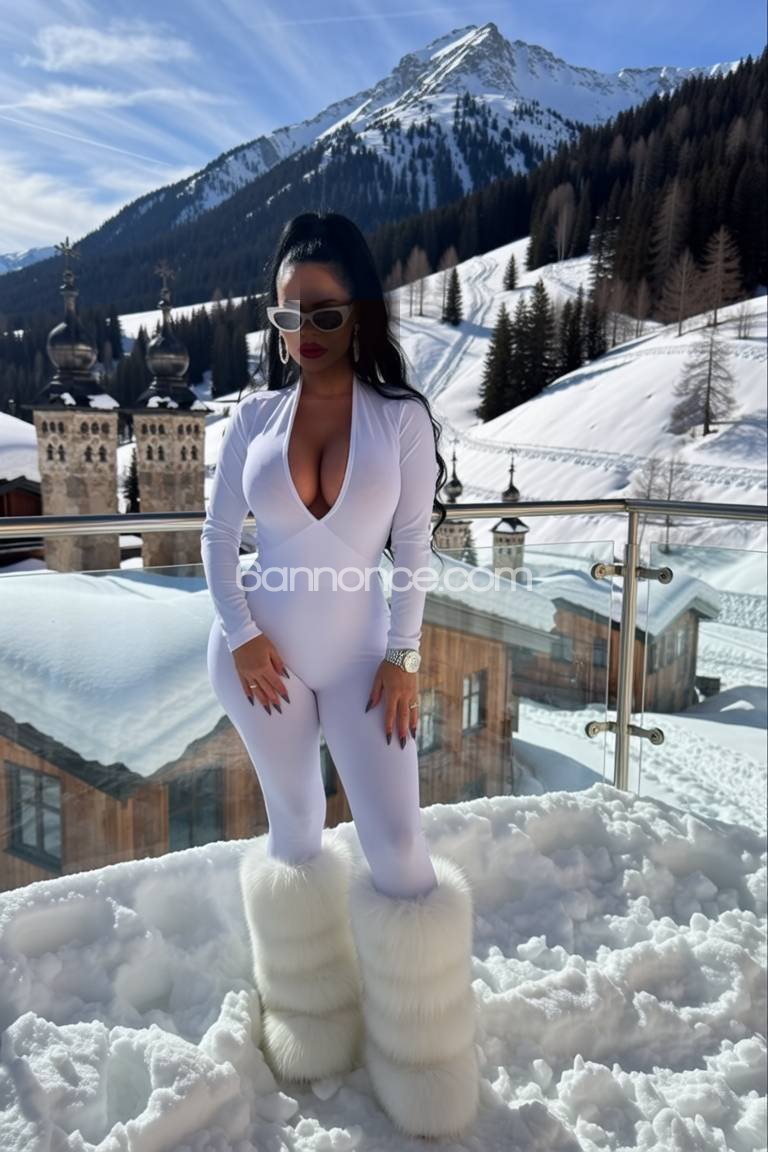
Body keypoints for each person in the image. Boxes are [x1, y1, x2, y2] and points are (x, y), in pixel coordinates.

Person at [201, 211, 480, 1138]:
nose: (305, 334)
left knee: (399, 849)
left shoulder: (401, 419)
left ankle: (427, 1059)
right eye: (287, 317)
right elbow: (216, 540)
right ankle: (309, 1026)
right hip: (259, 659)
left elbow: (414, 553)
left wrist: (404, 657)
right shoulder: (252, 417)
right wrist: (242, 635)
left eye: (323, 313)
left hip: (366, 661)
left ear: (360, 309)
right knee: (296, 828)